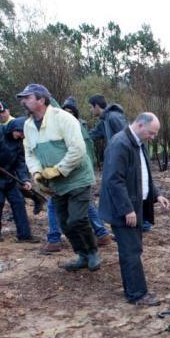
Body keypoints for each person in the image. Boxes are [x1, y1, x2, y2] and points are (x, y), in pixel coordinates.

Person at [18, 83, 99, 271]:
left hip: (78, 178)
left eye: (27, 98)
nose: (23, 102)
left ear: (41, 100)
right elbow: (30, 153)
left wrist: (58, 170)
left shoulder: (63, 118)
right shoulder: (28, 125)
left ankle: (93, 252)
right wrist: (37, 173)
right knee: (64, 223)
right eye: (23, 98)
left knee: (77, 219)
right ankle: (82, 255)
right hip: (55, 184)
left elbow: (78, 149)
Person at [99, 113, 169, 306]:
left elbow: (142, 176)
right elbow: (114, 180)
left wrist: (156, 195)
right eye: (151, 133)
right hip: (123, 210)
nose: (152, 137)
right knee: (130, 251)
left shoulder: (138, 143)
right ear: (139, 125)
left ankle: (134, 288)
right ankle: (137, 294)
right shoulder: (120, 144)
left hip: (134, 206)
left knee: (133, 248)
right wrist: (127, 209)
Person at [41, 97, 113, 254]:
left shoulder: (71, 127)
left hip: (74, 174)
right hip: (78, 173)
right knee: (85, 205)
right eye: (65, 111)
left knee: (54, 205)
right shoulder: (77, 126)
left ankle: (54, 240)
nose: (66, 114)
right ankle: (101, 233)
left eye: (70, 111)